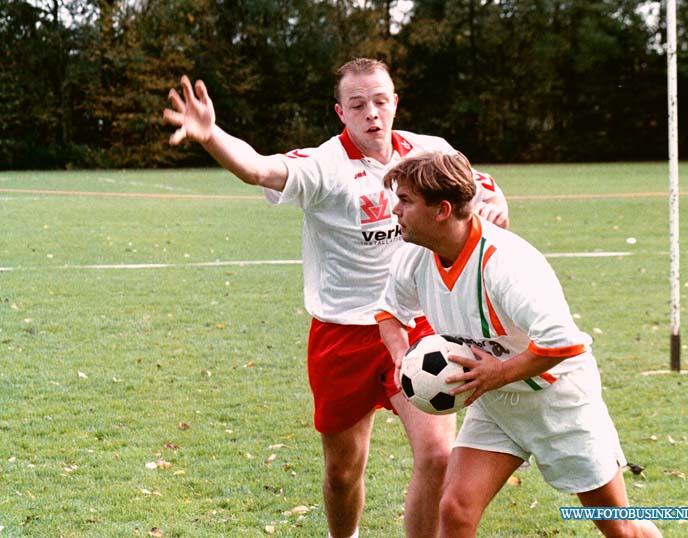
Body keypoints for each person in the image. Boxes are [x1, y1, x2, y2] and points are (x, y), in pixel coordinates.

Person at [162, 58, 509, 538]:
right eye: (358, 104)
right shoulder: (325, 165)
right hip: (341, 334)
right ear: (340, 112)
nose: (372, 113)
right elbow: (260, 169)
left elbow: (481, 186)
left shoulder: (428, 153)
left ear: (395, 103)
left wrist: (497, 205)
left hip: (417, 325)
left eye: (381, 101)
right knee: (344, 472)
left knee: (437, 453)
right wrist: (211, 134)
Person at [375, 152, 662, 537]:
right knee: (456, 509)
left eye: (406, 200)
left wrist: (499, 372)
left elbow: (564, 344)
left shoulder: (507, 263)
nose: (395, 210)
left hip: (558, 402)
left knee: (619, 527)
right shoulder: (413, 256)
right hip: (495, 405)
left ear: (442, 210)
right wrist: (401, 356)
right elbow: (389, 313)